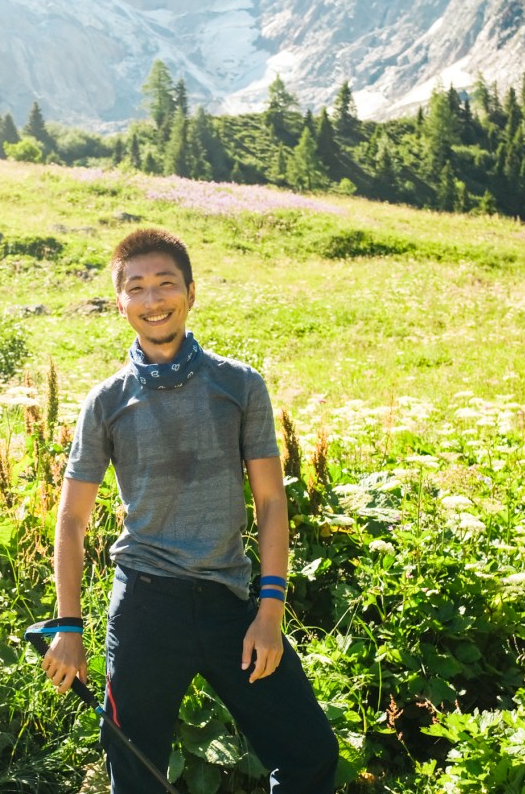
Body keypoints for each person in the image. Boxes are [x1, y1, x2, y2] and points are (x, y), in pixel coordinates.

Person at [42, 228, 339, 793]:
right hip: (145, 607)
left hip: (231, 604)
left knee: (310, 753)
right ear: (121, 302)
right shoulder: (107, 401)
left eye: (165, 284)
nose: (153, 300)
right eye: (137, 288)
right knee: (136, 773)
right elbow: (72, 520)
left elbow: (272, 502)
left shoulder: (239, 385)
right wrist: (68, 626)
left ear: (191, 292)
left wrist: (270, 611)